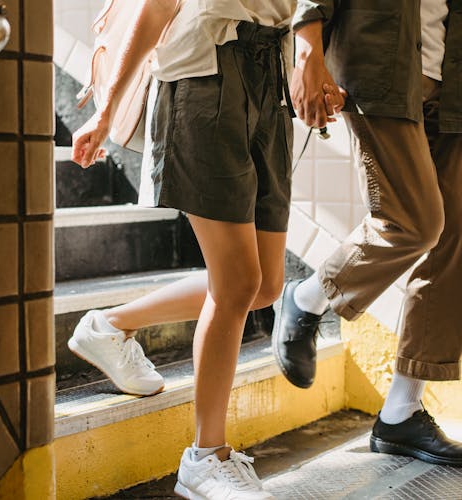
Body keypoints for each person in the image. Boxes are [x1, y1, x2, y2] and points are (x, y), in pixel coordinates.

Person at [70, 1, 301, 497]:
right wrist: (106, 109)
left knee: (264, 285)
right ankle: (204, 457)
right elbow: (157, 7)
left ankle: (109, 325)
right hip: (207, 76)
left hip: (272, 81)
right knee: (239, 282)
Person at [273, 0, 462, 468]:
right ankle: (307, 298)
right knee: (412, 223)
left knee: (452, 242)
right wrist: (307, 52)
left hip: (455, 70)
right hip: (379, 63)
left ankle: (402, 411)